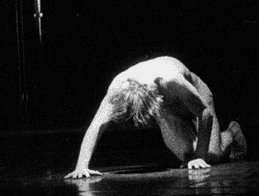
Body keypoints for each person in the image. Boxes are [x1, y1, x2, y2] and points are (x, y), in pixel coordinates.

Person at [65, 56, 247, 177]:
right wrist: (81, 165)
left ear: (153, 97)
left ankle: (231, 133)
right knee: (186, 157)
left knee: (210, 155)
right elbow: (97, 125)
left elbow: (204, 112)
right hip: (168, 110)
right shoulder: (117, 88)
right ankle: (198, 149)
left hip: (196, 99)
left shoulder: (170, 80)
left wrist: (201, 157)